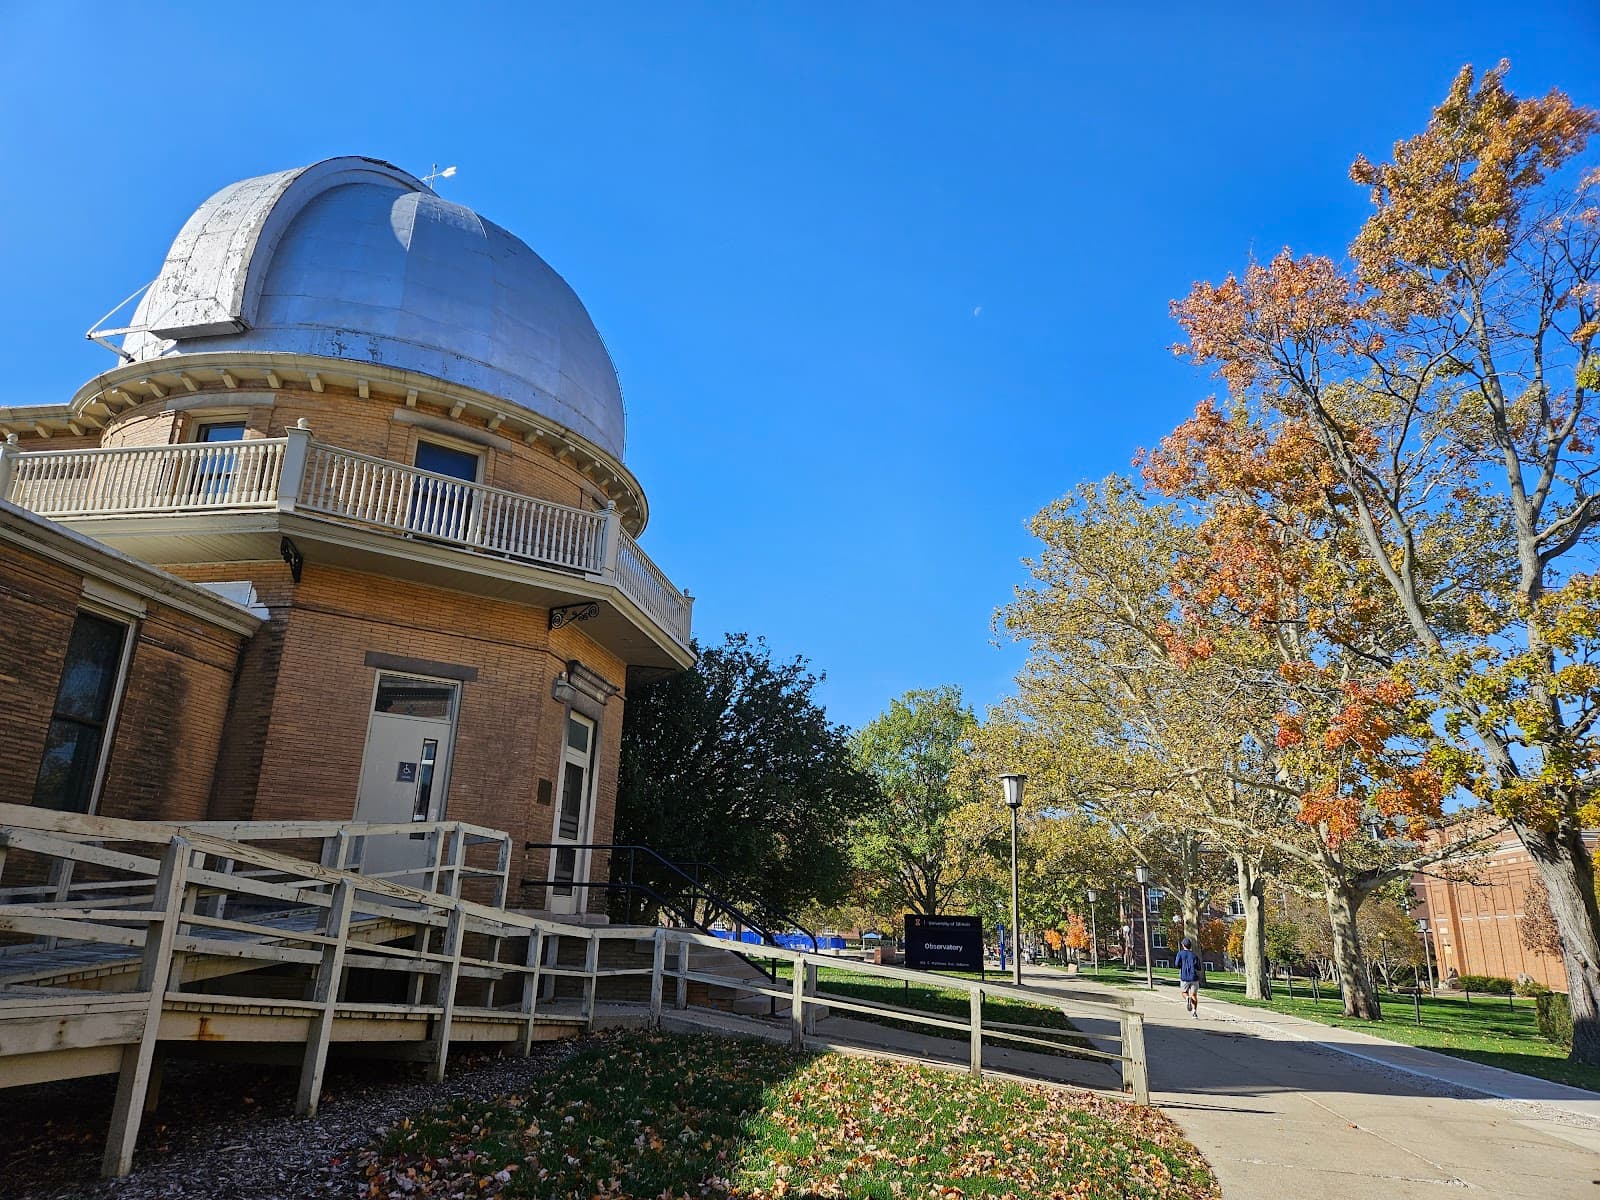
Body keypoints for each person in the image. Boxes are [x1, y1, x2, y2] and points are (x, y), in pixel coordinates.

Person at [1174, 937, 1201, 1018]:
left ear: (1183, 945)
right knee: (1194, 995)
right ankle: (1194, 1012)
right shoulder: (1194, 955)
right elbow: (1199, 967)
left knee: (1184, 992)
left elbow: (1177, 964)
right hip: (1194, 977)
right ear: (1190, 946)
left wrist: (1181, 966)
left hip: (1184, 977)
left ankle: (1187, 998)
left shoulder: (1180, 954)